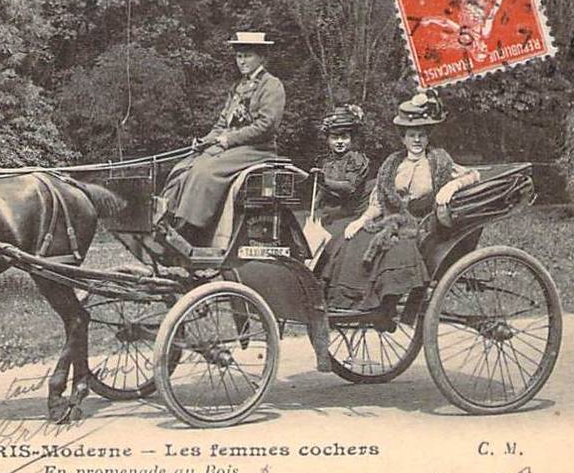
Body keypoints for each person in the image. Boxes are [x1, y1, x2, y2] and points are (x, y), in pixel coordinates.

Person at [320, 90, 480, 327]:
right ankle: (355, 305)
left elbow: (473, 175)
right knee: (353, 240)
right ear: (403, 138)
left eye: (421, 135)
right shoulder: (393, 164)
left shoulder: (438, 161)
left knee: (398, 248)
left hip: (422, 226)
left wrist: (452, 186)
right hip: (390, 221)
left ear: (427, 138)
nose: (417, 141)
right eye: (411, 135)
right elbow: (378, 201)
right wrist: (361, 220)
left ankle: (386, 307)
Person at [160, 32, 286, 244]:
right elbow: (222, 123)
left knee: (206, 171)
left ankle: (193, 230)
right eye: (239, 56)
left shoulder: (272, 85)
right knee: (185, 167)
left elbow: (266, 126)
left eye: (247, 56)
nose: (242, 61)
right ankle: (170, 218)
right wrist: (205, 141)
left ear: (261, 57)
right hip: (233, 147)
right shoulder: (238, 87)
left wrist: (230, 140)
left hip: (258, 149)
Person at [312, 103, 371, 241]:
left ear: (352, 139)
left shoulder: (357, 160)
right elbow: (322, 189)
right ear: (328, 139)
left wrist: (325, 181)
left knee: (329, 241)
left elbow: (349, 187)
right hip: (329, 215)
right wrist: (314, 206)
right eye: (334, 138)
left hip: (349, 214)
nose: (339, 142)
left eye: (344, 137)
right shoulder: (326, 162)